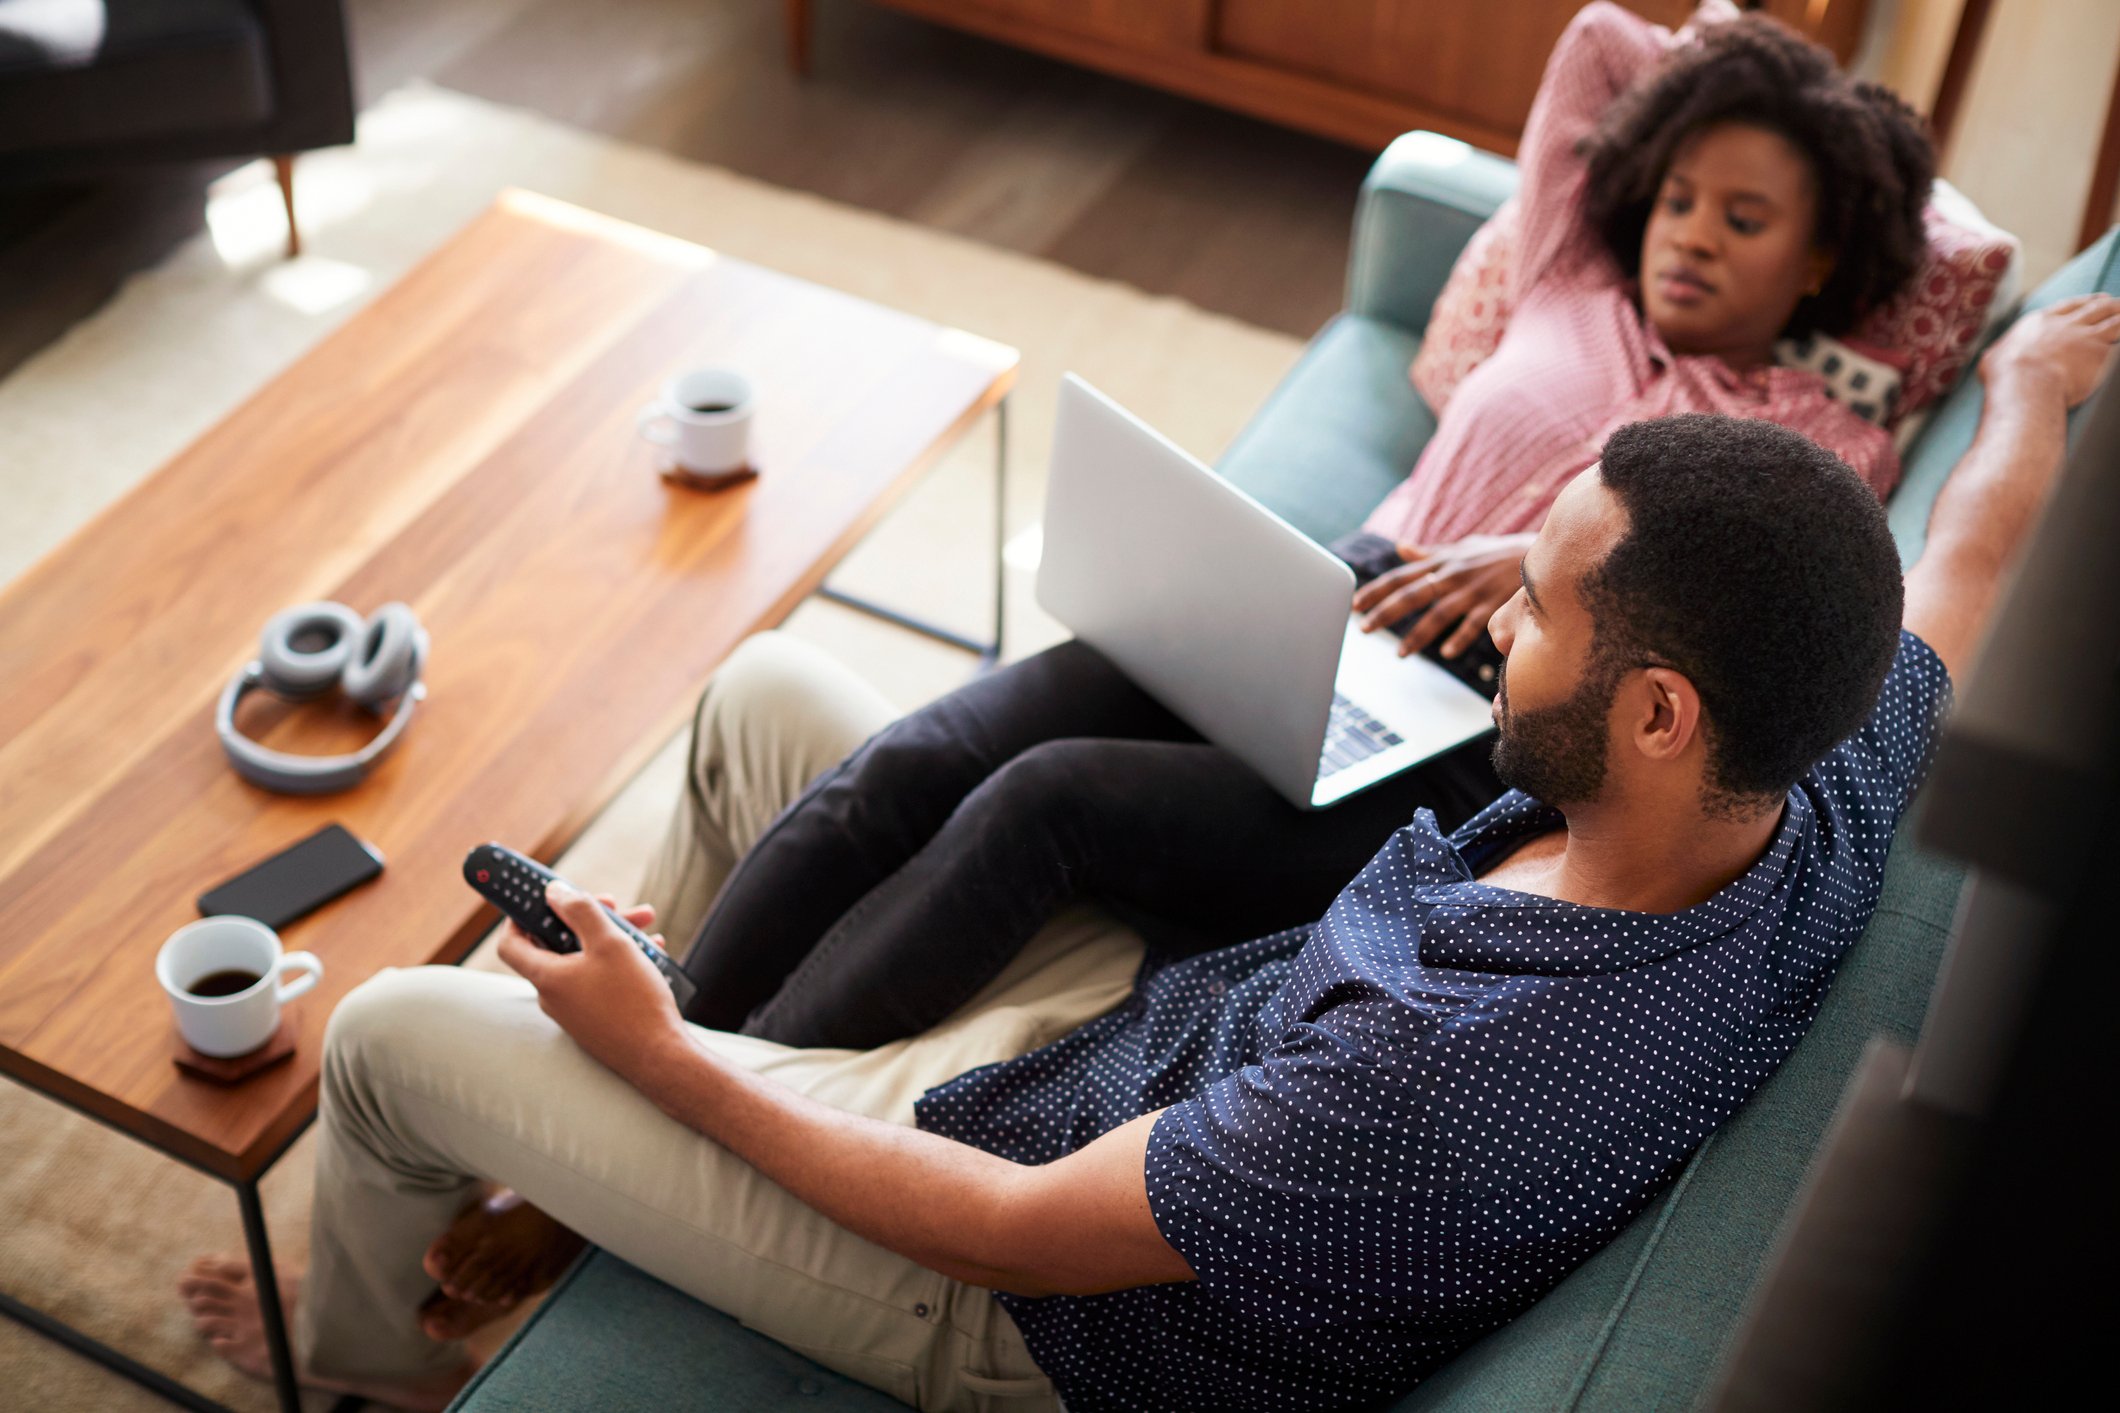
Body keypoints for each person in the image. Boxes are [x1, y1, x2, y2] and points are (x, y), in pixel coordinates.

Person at [176, 294, 2120, 1413]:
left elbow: (1012, 1235)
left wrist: (662, 1057)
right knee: (766, 695)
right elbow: (1962, 552)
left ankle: (376, 1357)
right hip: (1151, 1036)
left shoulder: (1446, 1075)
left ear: (1661, 712)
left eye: (1533, 604)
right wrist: (2028, 387)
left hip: (1022, 1286)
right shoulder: (1814, 783)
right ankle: (619, 1089)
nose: (1491, 611)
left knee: (397, 1032)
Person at [649, 0, 1944, 1056]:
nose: (1693, 237)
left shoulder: (1808, 438)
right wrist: (1748, 61)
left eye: (1746, 219)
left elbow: (1757, 605)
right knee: (925, 753)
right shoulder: (1572, 281)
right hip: (1338, 597)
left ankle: (713, 1083)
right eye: (1678, 198)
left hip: (1490, 724)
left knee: (1045, 798)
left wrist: (1536, 556)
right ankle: (670, 1014)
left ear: (1820, 260)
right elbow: (1600, 42)